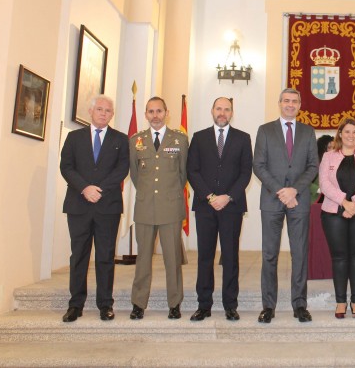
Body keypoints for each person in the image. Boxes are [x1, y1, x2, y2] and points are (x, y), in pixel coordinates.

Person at [59, 95, 129, 322]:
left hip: (107, 206)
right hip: (79, 205)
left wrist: (99, 190)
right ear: (90, 111)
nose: (103, 113)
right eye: (99, 109)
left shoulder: (121, 139)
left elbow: (122, 169)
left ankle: (105, 304)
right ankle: (75, 304)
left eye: (108, 111)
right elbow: (66, 166)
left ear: (112, 114)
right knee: (79, 255)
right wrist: (84, 188)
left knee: (105, 256)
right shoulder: (74, 137)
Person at [253, 88, 319, 323]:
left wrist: (295, 190)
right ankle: (268, 306)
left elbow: (313, 166)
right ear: (279, 103)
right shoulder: (265, 130)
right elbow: (258, 165)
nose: (290, 104)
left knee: (299, 254)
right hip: (272, 200)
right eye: (286, 101)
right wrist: (281, 191)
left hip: (298, 200)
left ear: (300, 105)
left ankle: (299, 305)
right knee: (269, 254)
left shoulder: (308, 131)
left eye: (295, 101)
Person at [187, 97, 253, 322]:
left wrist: (228, 196)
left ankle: (230, 305)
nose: (222, 112)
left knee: (230, 257)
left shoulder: (243, 138)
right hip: (206, 206)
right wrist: (210, 196)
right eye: (219, 108)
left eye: (227, 109)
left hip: (232, 207)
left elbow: (246, 172)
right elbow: (192, 171)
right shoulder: (198, 137)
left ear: (232, 112)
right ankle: (203, 305)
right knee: (205, 256)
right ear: (212, 111)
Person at [128, 96, 189, 320]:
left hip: (170, 207)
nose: (155, 116)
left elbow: (183, 174)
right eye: (151, 112)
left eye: (159, 111)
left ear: (166, 113)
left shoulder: (180, 140)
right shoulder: (136, 140)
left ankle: (174, 303)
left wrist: (167, 193)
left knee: (172, 258)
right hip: (145, 208)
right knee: (143, 257)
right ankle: (138, 303)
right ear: (146, 114)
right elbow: (136, 175)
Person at [318, 119, 355, 318]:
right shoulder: (328, 157)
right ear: (340, 134)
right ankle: (341, 301)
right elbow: (324, 184)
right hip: (333, 213)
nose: (351, 135)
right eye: (347, 131)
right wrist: (344, 202)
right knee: (340, 257)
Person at [310, 134, 334, 203]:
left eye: (334, 147)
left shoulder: (337, 161)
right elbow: (303, 181)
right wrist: (319, 189)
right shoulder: (313, 162)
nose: (332, 150)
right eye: (329, 147)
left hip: (332, 200)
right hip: (316, 199)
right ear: (321, 148)